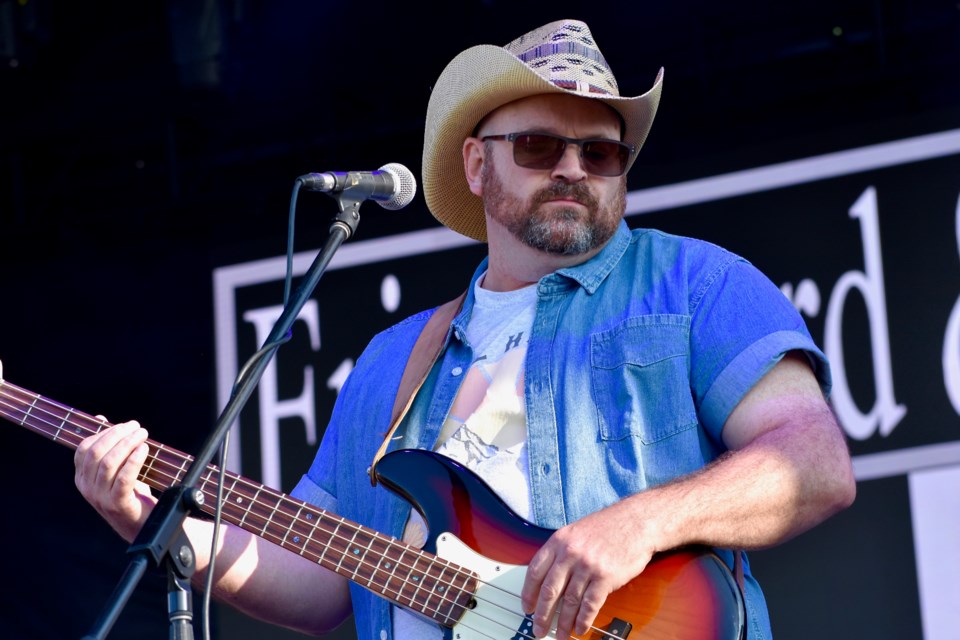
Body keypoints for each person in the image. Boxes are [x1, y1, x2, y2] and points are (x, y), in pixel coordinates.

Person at [74, 18, 856, 640]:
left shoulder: (697, 284)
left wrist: (639, 524)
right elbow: (318, 580)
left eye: (602, 151)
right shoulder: (392, 363)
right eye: (542, 146)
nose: (575, 169)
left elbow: (813, 464)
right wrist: (155, 525)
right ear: (477, 166)